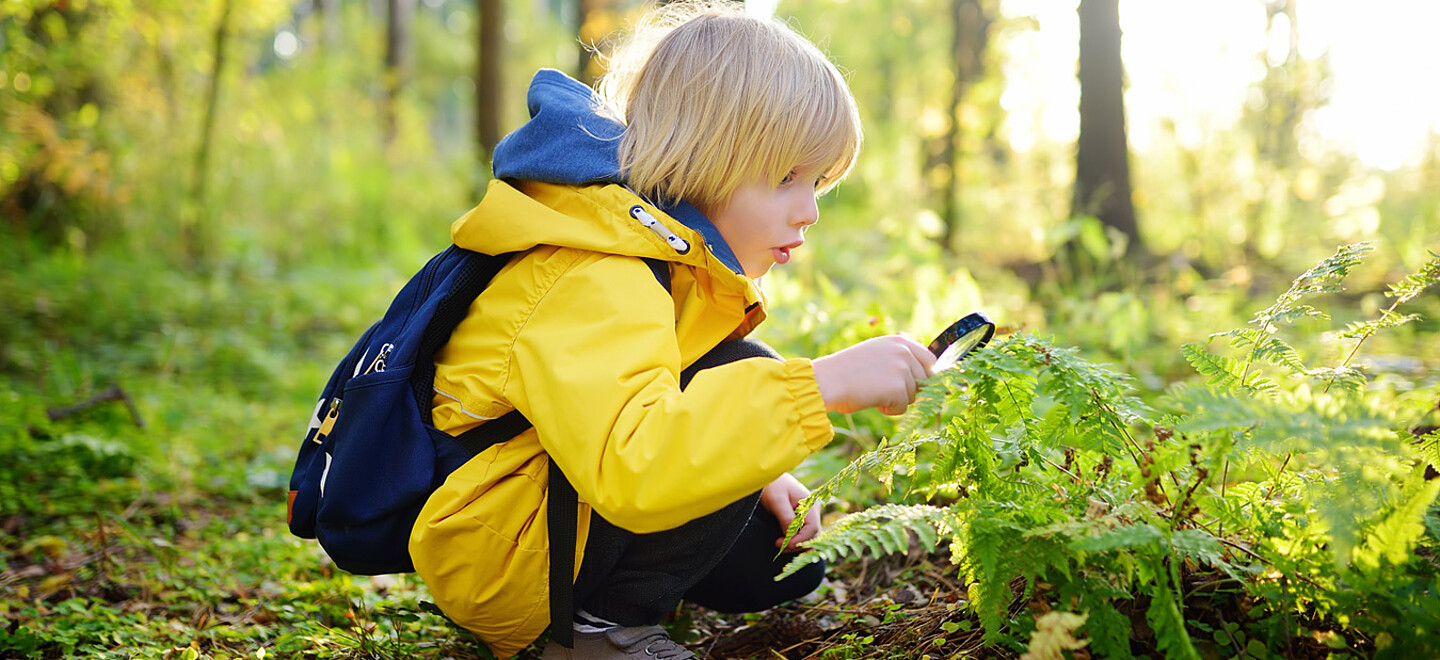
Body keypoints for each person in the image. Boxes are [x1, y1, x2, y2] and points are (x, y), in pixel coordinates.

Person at [408, 2, 937, 658]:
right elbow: (633, 460)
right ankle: (595, 631)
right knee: (752, 370)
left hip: (542, 514)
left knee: (777, 558)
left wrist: (753, 471)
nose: (809, 211)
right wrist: (815, 386)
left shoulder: (658, 258)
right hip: (500, 552)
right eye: (785, 178)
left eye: (818, 183)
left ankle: (617, 599)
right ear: (703, 158)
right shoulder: (597, 271)